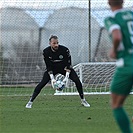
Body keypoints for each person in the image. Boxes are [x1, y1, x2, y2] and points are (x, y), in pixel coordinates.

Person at [25, 35, 90, 108]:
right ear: (50, 43)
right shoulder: (46, 52)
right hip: (53, 69)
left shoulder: (65, 50)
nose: (56, 45)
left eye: (57, 43)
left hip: (64, 68)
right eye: (54, 43)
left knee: (77, 81)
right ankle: (30, 102)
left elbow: (68, 65)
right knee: (42, 83)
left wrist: (66, 77)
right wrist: (52, 79)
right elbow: (48, 66)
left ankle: (83, 100)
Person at [104, 0, 133, 132]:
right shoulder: (131, 14)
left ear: (109, 3)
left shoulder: (112, 19)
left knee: (116, 104)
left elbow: (116, 36)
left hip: (127, 64)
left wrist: (114, 50)